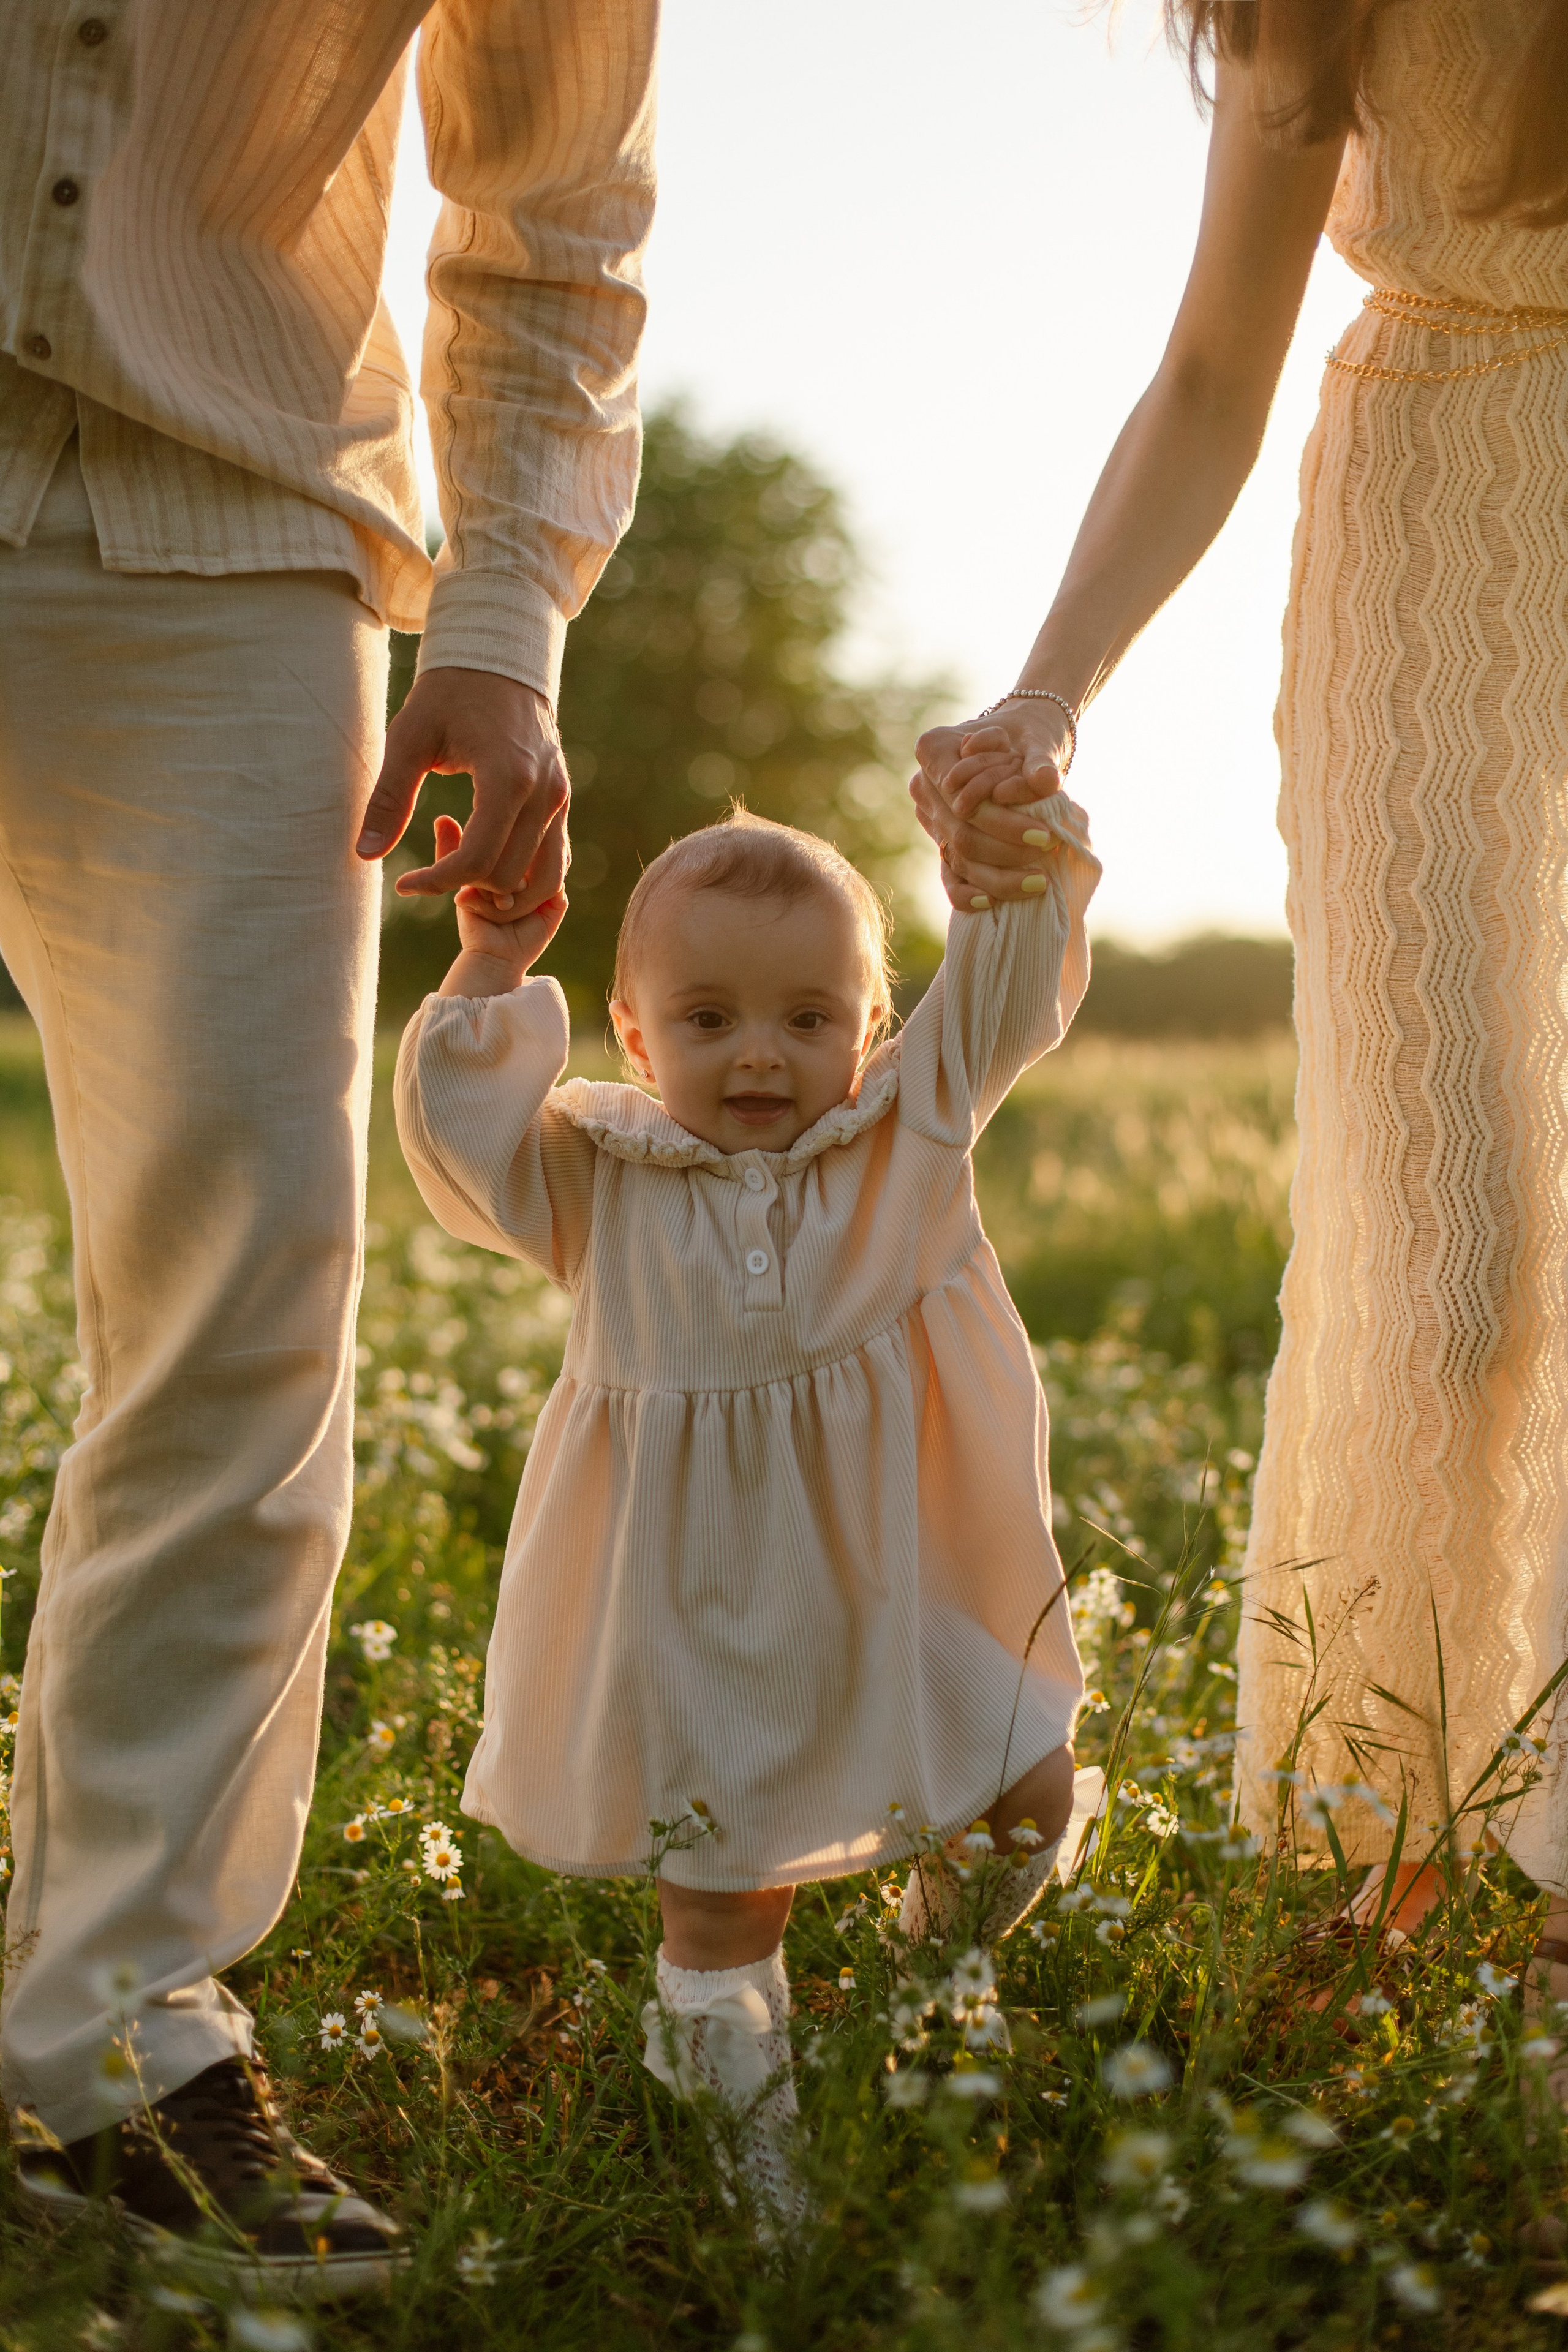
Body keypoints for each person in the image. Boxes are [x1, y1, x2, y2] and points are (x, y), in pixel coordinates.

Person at [0, 0, 656, 2288]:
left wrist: (504, 615)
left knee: (244, 1290)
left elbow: (551, 189)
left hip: (234, 520)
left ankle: (109, 2036)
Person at [910, 0, 1568, 1987]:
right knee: (1446, 1263)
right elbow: (1211, 366)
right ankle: (1403, 1823)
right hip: (1432, 499)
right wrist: (1047, 684)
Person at [393, 800, 1104, 2215]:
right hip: (694, 1608)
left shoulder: (910, 1132)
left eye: (805, 1016)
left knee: (1022, 1783)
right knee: (725, 1894)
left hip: (896, 1584)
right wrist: (487, 969)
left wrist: (1011, 868)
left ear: (870, 1023)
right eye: (707, 1019)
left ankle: (930, 1973)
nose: (761, 1055)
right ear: (636, 1036)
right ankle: (737, 2112)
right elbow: (456, 1141)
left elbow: (1012, 994)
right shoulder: (597, 1177)